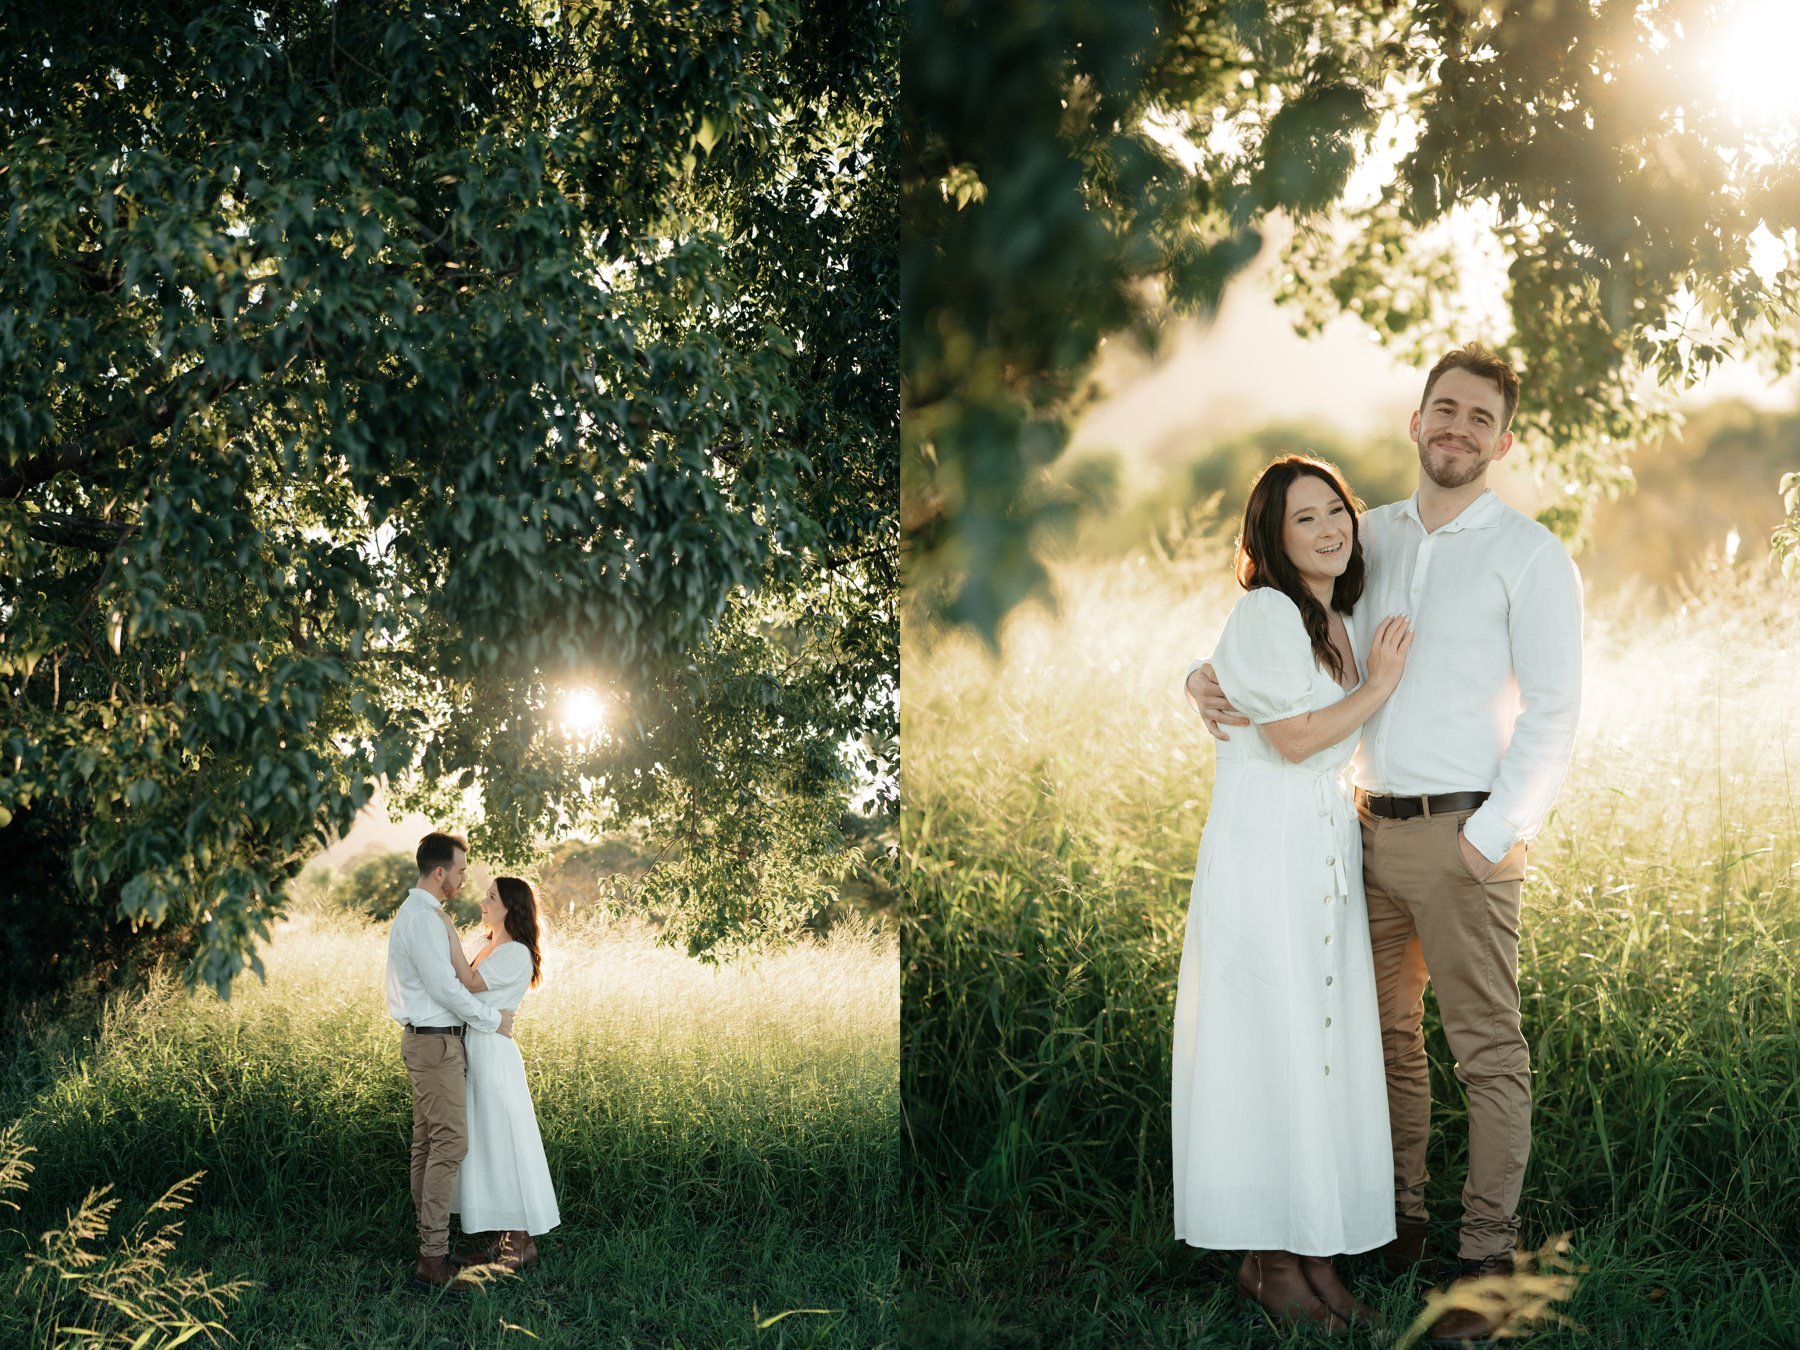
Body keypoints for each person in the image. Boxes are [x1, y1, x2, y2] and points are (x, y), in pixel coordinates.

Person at [1188, 344, 1583, 1346]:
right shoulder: (1369, 538)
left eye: (1479, 416)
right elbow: (1286, 628)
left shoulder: (1530, 554)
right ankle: (1395, 1228)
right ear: (1416, 422)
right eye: (1442, 408)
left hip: (1466, 832)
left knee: (1485, 1053)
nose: (1457, 427)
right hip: (1358, 835)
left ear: (1503, 438)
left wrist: (1497, 837)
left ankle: (1486, 1264)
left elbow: (1555, 707)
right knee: (1381, 1044)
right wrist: (1196, 675)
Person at [1173, 454, 1414, 1332]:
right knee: (1270, 1041)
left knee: (1318, 1043)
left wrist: (1196, 672)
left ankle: (1307, 1247)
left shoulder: (1335, 616)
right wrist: (1380, 687)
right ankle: (1270, 1260)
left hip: (1319, 856)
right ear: (1271, 541)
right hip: (1263, 850)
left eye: (1336, 511)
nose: (1329, 528)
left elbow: (1254, 687)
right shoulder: (1269, 611)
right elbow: (1293, 739)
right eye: (1303, 519)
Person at [384, 831, 515, 1292]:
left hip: (434, 1042)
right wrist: (491, 1020)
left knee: (427, 1144)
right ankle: (432, 1260)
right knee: (450, 1145)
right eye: (460, 870)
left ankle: (430, 1247)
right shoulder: (421, 920)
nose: (463, 878)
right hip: (435, 1044)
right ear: (439, 873)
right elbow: (444, 989)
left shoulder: (425, 915)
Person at [436, 875, 561, 1271]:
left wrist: (446, 935)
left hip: (493, 1055)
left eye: (491, 897)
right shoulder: (486, 944)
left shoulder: (516, 953)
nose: (483, 901)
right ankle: (503, 1239)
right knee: (486, 1143)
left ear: (511, 907)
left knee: (503, 1142)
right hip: (475, 1046)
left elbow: (468, 982)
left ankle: (520, 1244)